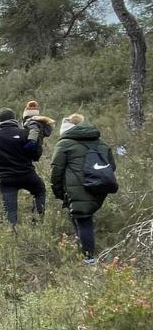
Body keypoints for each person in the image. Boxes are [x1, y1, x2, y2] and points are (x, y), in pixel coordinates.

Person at [50, 113, 115, 264]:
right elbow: (112, 166)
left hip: (78, 187)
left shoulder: (64, 144)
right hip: (100, 187)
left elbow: (56, 171)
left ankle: (89, 259)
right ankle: (83, 249)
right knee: (80, 216)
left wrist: (58, 192)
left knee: (83, 219)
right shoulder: (101, 143)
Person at [0, 107, 46, 228]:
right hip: (27, 175)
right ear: (14, 119)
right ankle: (37, 223)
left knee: (10, 211)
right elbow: (35, 156)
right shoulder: (25, 133)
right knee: (40, 191)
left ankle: (11, 235)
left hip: (6, 180)